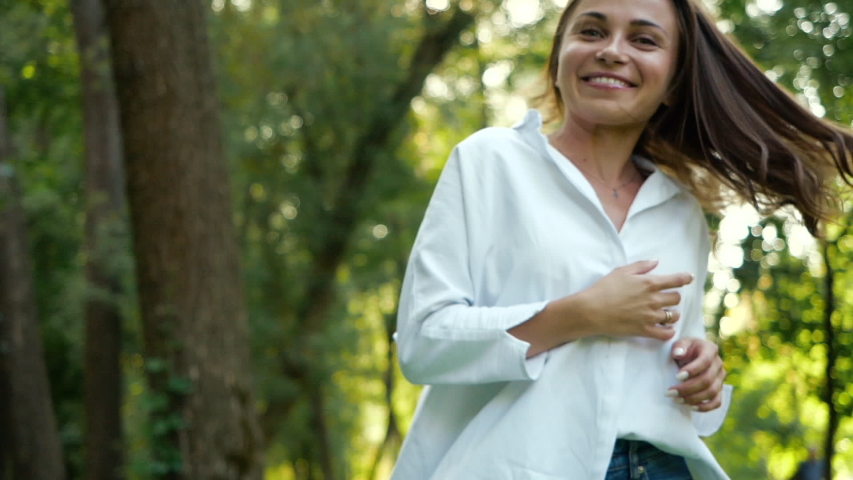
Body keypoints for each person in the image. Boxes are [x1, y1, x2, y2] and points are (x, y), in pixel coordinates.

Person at [391, 0, 853, 477]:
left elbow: (674, 387)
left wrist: (704, 377)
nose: (612, 51)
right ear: (558, 59)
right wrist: (580, 314)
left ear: (674, 82)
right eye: (591, 32)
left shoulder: (680, 211)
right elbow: (424, 342)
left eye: (644, 39)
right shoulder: (490, 162)